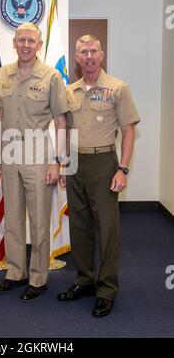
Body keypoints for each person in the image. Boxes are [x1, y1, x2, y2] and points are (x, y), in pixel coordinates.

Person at [57, 34, 140, 317]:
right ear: (77, 58)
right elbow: (65, 130)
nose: (89, 56)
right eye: (83, 52)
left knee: (107, 231)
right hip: (75, 163)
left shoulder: (118, 88)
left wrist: (123, 168)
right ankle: (84, 281)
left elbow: (129, 129)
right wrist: (62, 164)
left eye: (93, 51)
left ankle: (106, 290)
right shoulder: (70, 91)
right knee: (79, 227)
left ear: (101, 54)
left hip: (105, 162)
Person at [0, 23, 67, 301]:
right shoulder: (4, 74)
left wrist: (59, 160)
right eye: (21, 40)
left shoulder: (51, 76)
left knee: (38, 220)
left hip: (38, 152)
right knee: (12, 217)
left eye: (31, 41)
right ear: (15, 43)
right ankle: (15, 273)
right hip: (10, 151)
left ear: (39, 43)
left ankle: (37, 278)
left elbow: (61, 120)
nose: (25, 45)